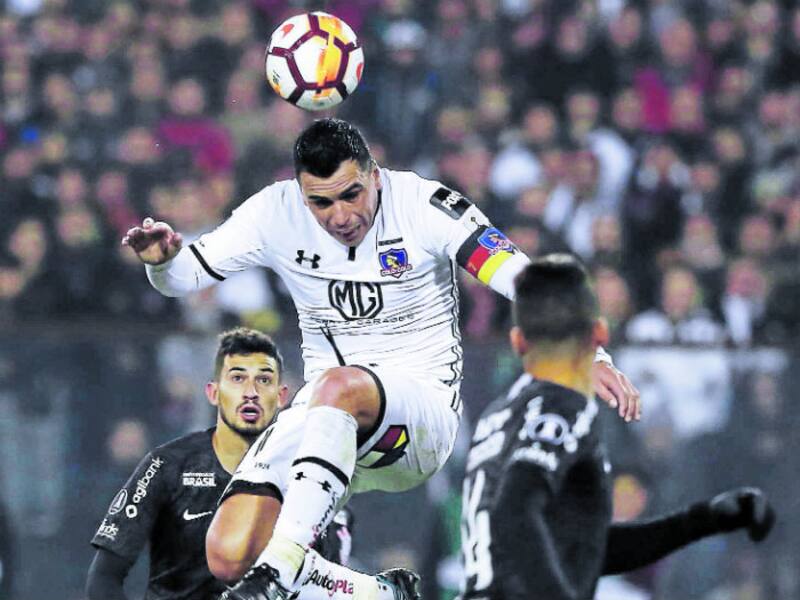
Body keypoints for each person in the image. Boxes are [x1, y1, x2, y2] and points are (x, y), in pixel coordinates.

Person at [121, 119, 641, 600]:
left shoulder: (424, 205)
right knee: (228, 552)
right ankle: (379, 595)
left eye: (351, 194)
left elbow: (517, 274)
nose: (340, 216)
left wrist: (587, 350)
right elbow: (185, 275)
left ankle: (278, 573)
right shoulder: (273, 213)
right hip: (325, 419)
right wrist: (161, 263)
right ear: (301, 194)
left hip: (420, 420)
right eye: (321, 203)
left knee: (338, 386)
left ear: (374, 175)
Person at [459, 254, 774, 600]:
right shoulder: (560, 405)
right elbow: (515, 508)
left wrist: (703, 520)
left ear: (519, 342)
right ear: (598, 335)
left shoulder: (499, 414)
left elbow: (582, 550)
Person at [85, 327, 352, 600]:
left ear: (282, 397)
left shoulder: (309, 476)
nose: (251, 392)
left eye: (263, 380)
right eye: (237, 378)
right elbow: (104, 579)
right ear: (213, 392)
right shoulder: (166, 465)